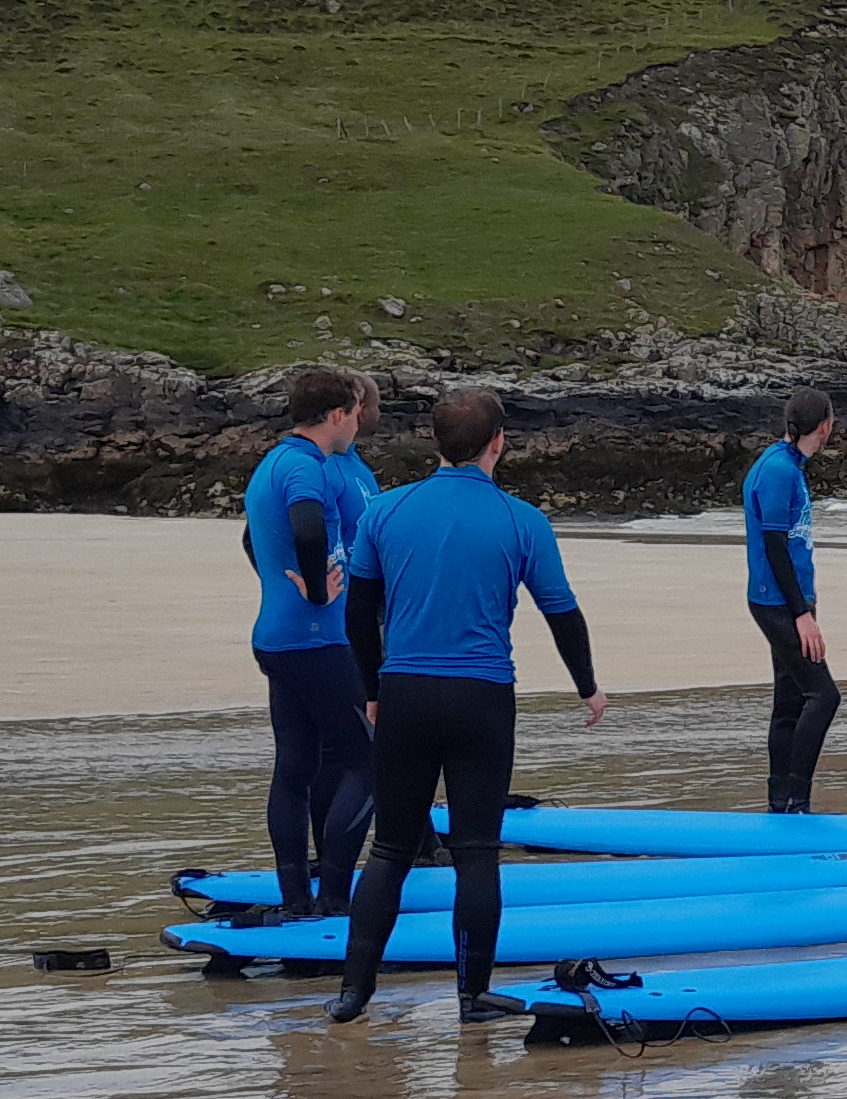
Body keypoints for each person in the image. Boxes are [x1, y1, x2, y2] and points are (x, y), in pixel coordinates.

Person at [331, 387, 608, 1028]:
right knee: (478, 852)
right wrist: (586, 686)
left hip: (404, 693)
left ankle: (352, 993)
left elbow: (356, 616)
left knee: (392, 850)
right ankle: (472, 997)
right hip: (481, 697)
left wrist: (373, 691)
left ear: (434, 442)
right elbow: (562, 614)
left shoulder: (385, 512)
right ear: (498, 442)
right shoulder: (521, 520)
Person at [241, 366, 383, 916]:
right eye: (355, 412)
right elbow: (305, 525)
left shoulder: (273, 461)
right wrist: (319, 592)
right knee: (371, 763)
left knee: (296, 766)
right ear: (336, 416)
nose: (358, 424)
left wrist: (286, 580)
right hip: (316, 638)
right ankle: (335, 899)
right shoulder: (306, 466)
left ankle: (296, 898)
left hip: (278, 636)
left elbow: (253, 538)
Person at [744, 387, 842, 815]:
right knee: (824, 695)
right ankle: (797, 802)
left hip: (788, 599)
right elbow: (775, 546)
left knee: (790, 701)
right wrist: (802, 615)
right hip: (777, 603)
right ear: (824, 426)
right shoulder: (778, 470)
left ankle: (779, 804)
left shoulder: (789, 466)